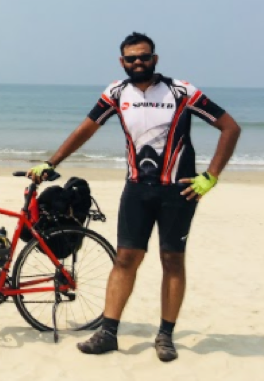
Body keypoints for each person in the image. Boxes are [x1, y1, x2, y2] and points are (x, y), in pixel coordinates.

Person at [28, 32, 241, 362]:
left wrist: (210, 177)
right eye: (131, 58)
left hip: (178, 192)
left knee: (172, 260)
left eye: (144, 56)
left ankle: (165, 335)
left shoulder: (182, 91)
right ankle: (108, 333)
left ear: (155, 59)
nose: (138, 62)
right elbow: (86, 129)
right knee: (126, 259)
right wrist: (51, 162)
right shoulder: (116, 93)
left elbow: (230, 127)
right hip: (137, 191)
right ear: (122, 62)